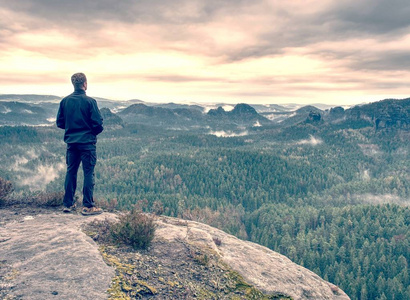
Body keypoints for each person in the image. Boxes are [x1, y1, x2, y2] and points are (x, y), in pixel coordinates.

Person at [56, 73, 104, 215]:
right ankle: (88, 206)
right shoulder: (90, 102)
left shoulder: (65, 101)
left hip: (71, 143)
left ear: (73, 84)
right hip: (87, 144)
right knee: (88, 173)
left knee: (71, 172)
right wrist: (90, 133)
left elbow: (60, 123)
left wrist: (72, 128)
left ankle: (68, 204)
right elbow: (98, 124)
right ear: (85, 84)